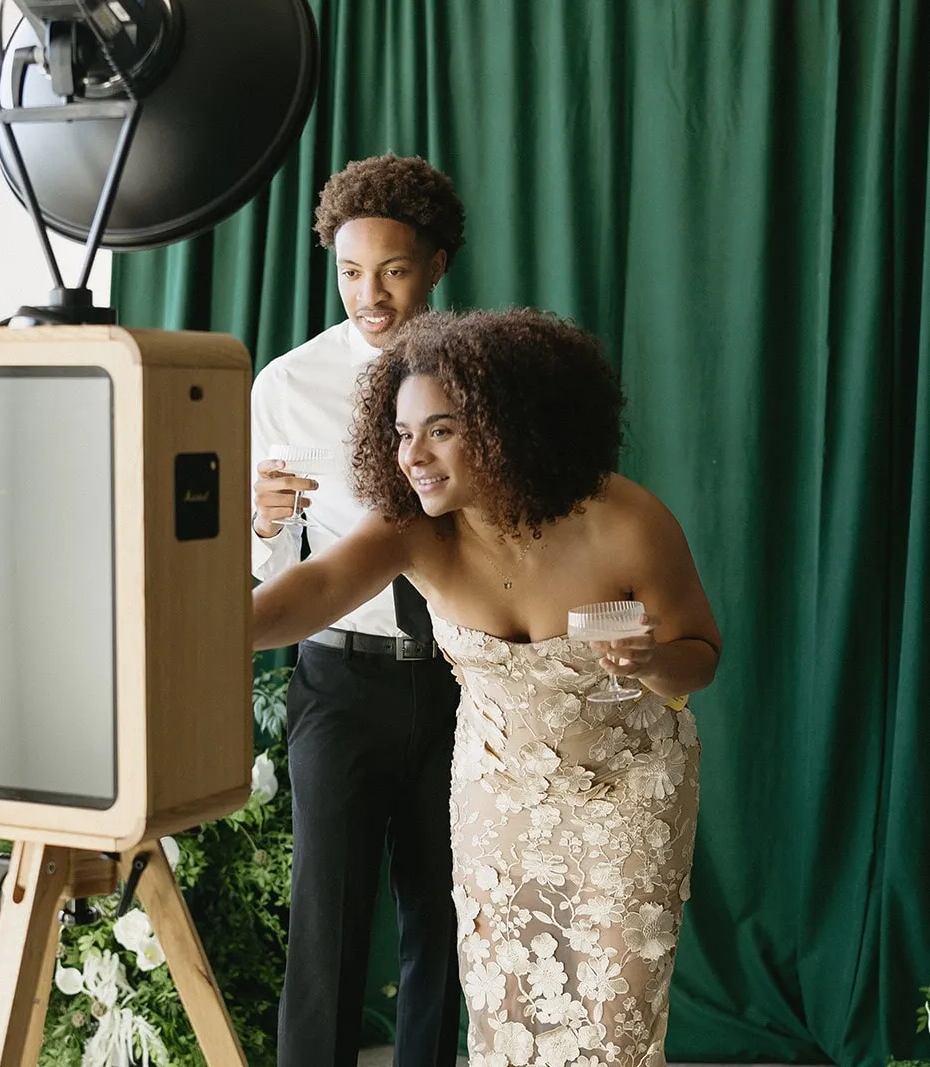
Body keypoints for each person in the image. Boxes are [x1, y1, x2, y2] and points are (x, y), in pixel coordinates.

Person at [254, 307, 723, 1067]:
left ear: (509, 426)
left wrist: (647, 662)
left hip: (627, 792)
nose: (413, 456)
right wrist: (191, 630)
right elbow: (309, 593)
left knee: (616, 1024)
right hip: (497, 800)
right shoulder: (412, 529)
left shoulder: (624, 520)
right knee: (506, 1020)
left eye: (439, 430)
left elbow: (699, 657)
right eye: (401, 433)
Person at [250, 154, 466, 1067]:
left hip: (462, 680)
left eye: (393, 270)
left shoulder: (482, 376)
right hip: (339, 679)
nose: (368, 296)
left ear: (436, 265)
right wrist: (262, 524)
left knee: (446, 919)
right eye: (349, 271)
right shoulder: (287, 384)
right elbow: (267, 566)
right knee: (326, 923)